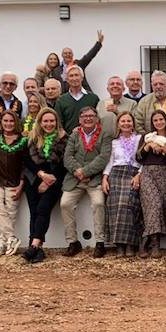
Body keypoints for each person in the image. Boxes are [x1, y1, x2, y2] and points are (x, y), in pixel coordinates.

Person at [61, 104, 111, 258]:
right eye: (85, 117)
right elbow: (67, 157)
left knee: (98, 203)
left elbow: (104, 157)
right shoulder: (74, 135)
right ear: (80, 120)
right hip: (74, 179)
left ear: (96, 119)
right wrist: (78, 171)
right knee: (65, 204)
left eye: (91, 116)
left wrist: (87, 171)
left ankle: (100, 242)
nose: (88, 119)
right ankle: (73, 242)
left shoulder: (105, 134)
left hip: (94, 179)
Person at [21, 109, 67, 263]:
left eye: (51, 121)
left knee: (43, 208)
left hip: (54, 180)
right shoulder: (32, 138)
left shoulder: (63, 139)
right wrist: (41, 175)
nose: (49, 124)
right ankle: (37, 249)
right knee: (34, 212)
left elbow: (63, 165)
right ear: (40, 122)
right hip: (34, 178)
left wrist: (49, 181)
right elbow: (26, 160)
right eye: (45, 121)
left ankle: (33, 246)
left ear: (56, 122)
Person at [0, 109, 28, 258]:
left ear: (15, 122)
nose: (8, 124)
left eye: (11, 121)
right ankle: (12, 238)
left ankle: (1, 243)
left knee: (10, 213)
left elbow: (25, 165)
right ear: (1, 122)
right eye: (5, 121)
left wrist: (21, 185)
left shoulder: (23, 140)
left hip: (14, 182)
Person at [135, 109, 166, 258]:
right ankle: (155, 245)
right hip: (148, 174)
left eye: (161, 119)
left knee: (161, 207)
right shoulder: (147, 137)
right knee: (153, 205)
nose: (159, 122)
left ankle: (144, 243)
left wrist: (164, 149)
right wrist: (147, 147)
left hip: (164, 174)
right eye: (155, 120)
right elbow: (138, 157)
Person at [102, 112, 143, 256]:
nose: (126, 123)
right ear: (118, 124)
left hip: (133, 174)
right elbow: (110, 161)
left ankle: (130, 244)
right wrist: (105, 178)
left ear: (133, 123)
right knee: (115, 206)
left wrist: (139, 175)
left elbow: (144, 160)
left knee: (129, 204)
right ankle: (119, 245)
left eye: (129, 121)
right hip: (116, 174)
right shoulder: (114, 142)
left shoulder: (139, 139)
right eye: (123, 121)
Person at [132, 71, 166, 135]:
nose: (158, 86)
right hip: (151, 142)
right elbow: (138, 124)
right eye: (155, 84)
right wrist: (148, 138)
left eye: (161, 84)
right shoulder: (144, 102)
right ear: (152, 85)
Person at [55, 65, 100, 133]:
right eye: (71, 76)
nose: (74, 78)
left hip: (91, 139)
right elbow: (58, 123)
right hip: (68, 140)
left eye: (76, 75)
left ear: (82, 77)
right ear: (67, 79)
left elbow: (98, 120)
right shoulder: (61, 100)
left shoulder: (93, 98)